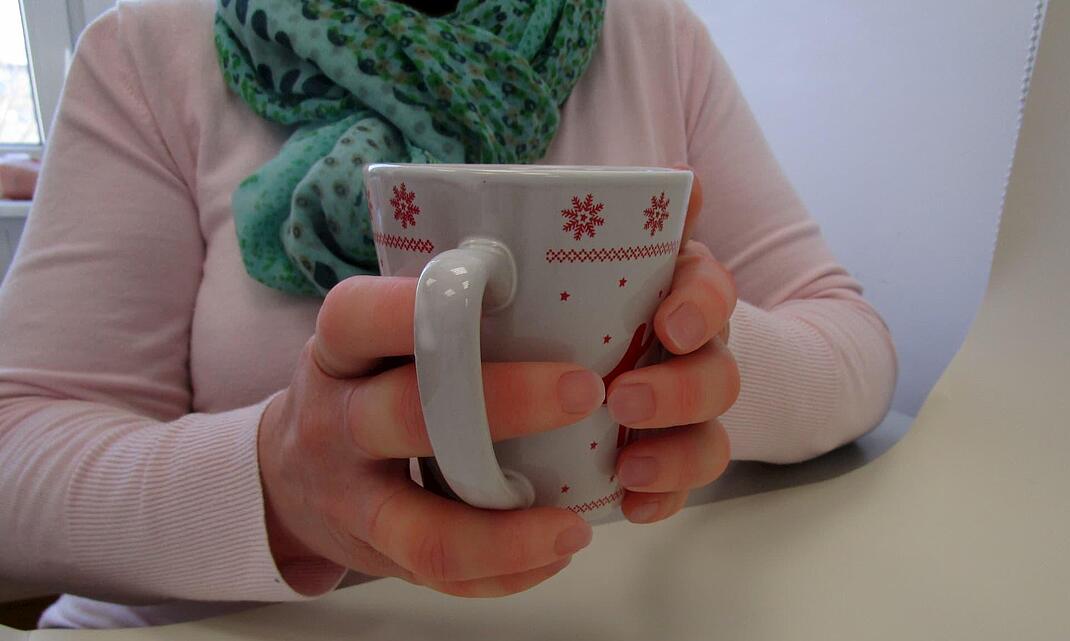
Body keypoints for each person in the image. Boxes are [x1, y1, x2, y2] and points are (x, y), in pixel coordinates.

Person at [0, 0, 896, 630]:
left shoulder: (650, 37)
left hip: (612, 609)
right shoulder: (148, 53)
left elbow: (854, 345)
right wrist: (277, 482)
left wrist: (700, 362)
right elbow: (17, 456)